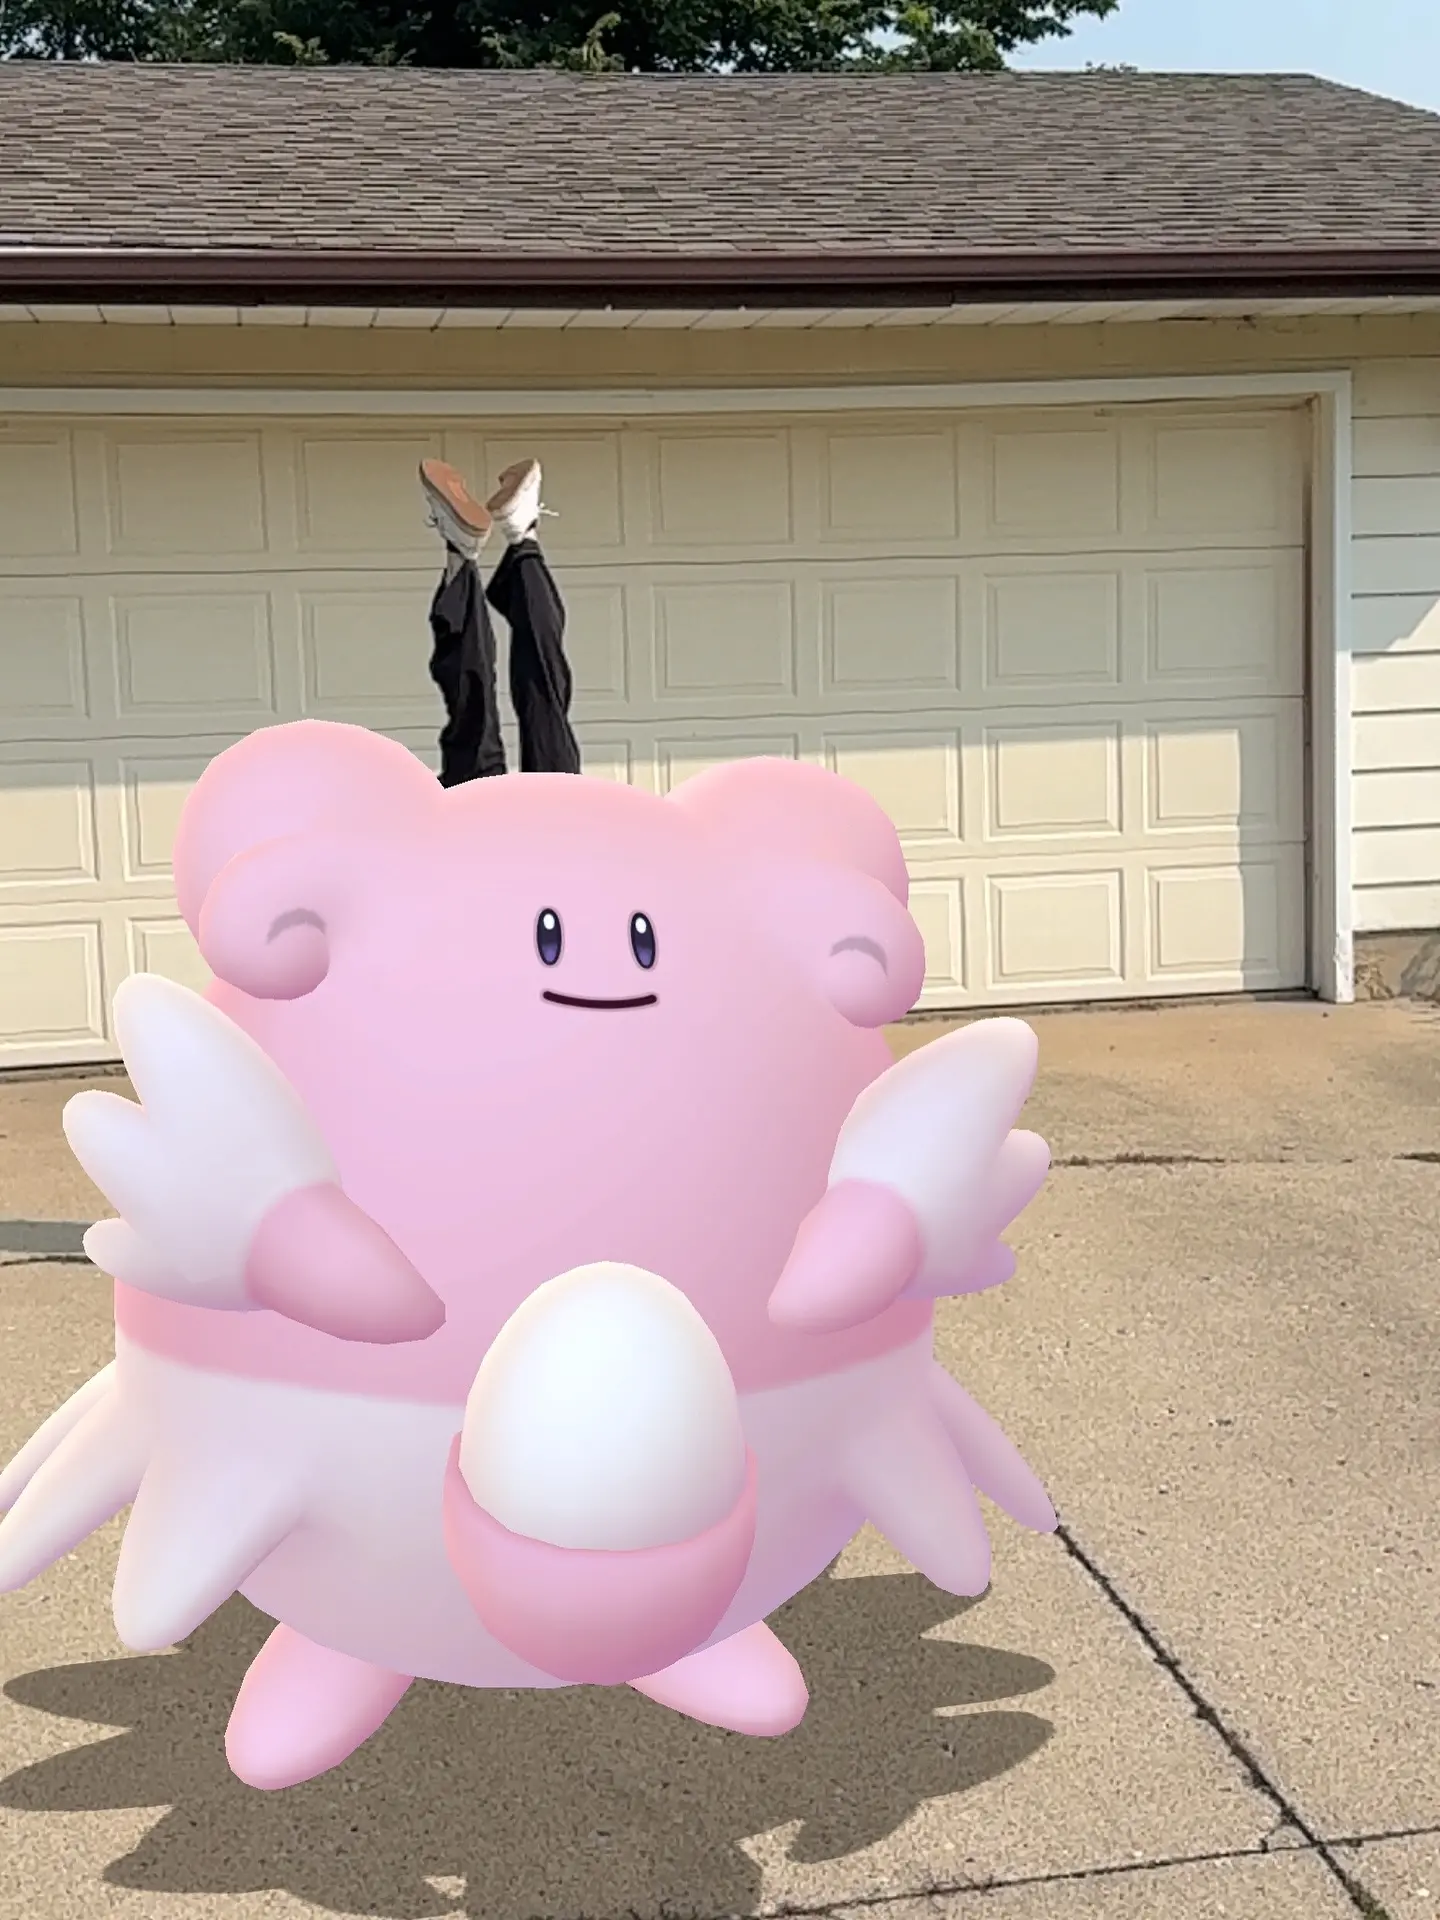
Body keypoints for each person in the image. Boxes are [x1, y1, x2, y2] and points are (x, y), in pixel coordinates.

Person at [418, 456, 582, 785]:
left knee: (519, 724)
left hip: (536, 806)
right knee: (538, 719)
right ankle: (492, 542)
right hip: (542, 809)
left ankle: (517, 537)